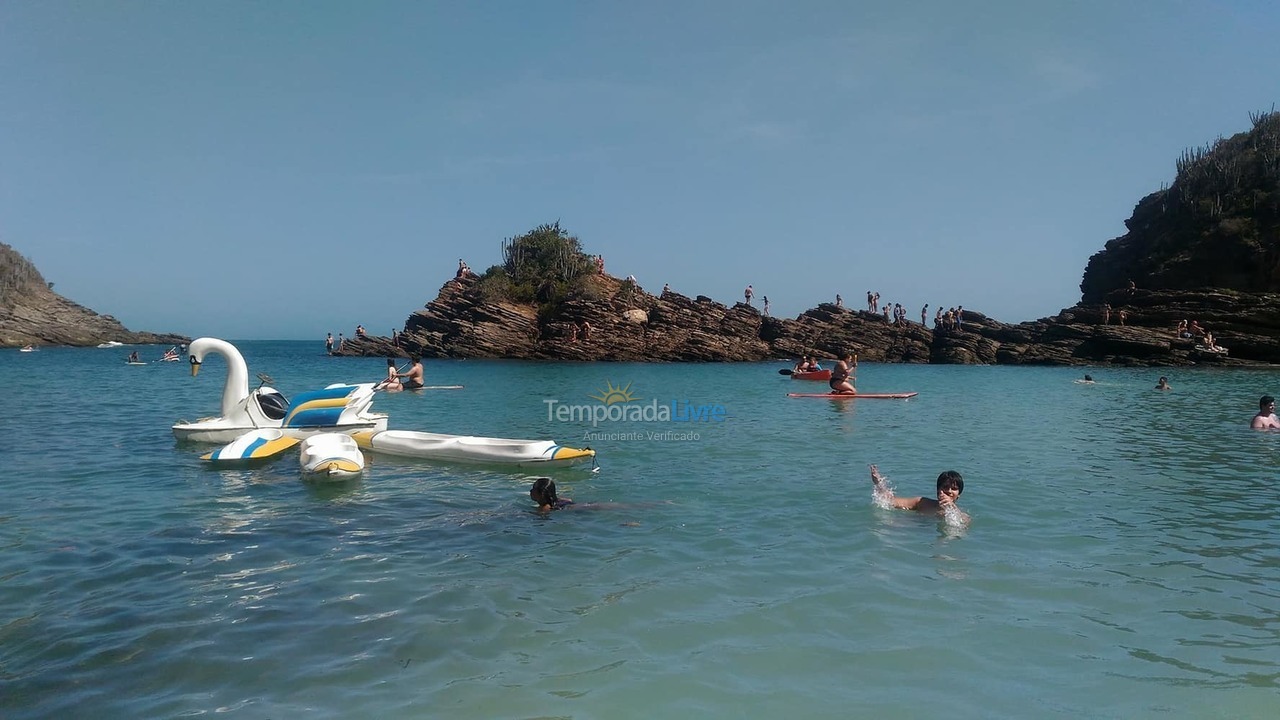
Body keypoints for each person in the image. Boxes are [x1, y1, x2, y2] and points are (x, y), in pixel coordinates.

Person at [870, 465, 968, 523]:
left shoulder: (962, 515)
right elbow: (890, 501)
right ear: (938, 490)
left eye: (954, 489)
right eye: (945, 487)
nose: (949, 491)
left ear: (959, 495)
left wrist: (951, 508)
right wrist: (879, 484)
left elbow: (964, 525)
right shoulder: (921, 502)